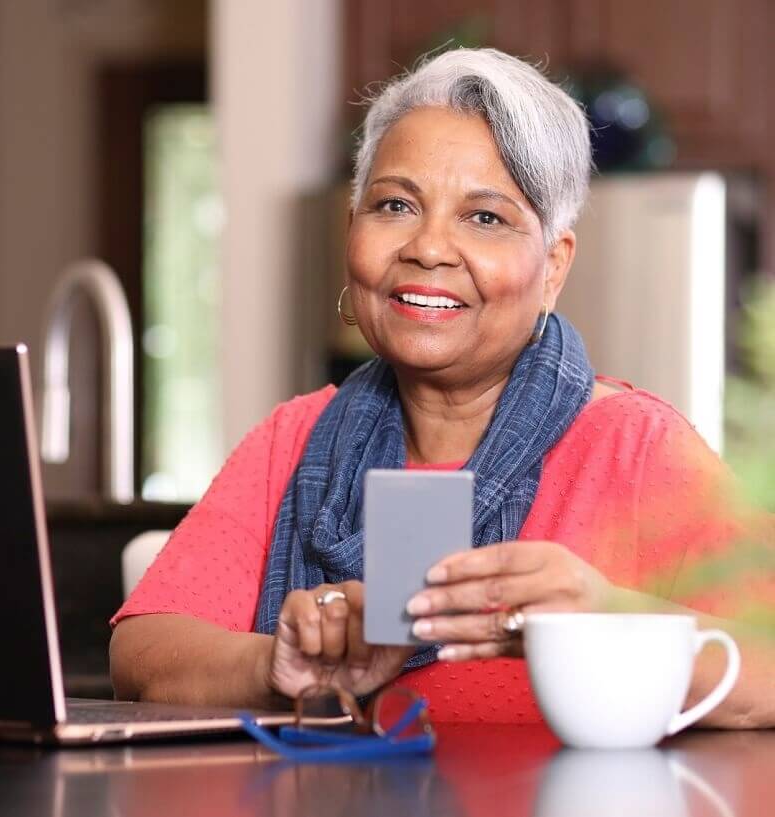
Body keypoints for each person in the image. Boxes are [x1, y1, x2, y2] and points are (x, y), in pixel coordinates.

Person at [110, 48, 774, 727]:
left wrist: (607, 617)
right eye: (395, 204)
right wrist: (276, 666)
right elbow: (143, 650)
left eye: (484, 217)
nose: (428, 247)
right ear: (353, 232)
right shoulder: (294, 438)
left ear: (552, 267)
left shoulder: (637, 448)